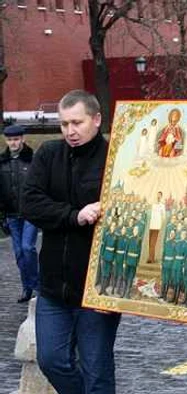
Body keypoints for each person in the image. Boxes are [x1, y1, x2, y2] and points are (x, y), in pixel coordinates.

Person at [22, 90, 121, 393]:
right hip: (54, 286)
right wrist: (74, 215)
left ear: (97, 119)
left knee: (97, 372)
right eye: (64, 124)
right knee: (51, 359)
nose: (70, 131)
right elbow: (30, 202)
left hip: (98, 289)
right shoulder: (49, 154)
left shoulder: (115, 159)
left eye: (77, 122)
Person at [0, 124, 39, 303]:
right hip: (11, 214)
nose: (13, 143)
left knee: (27, 248)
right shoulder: (2, 162)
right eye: (10, 139)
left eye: (16, 139)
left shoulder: (33, 160)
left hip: (30, 213)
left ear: (22, 139)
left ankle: (37, 286)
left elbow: (41, 187)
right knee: (18, 253)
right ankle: (27, 287)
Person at [148, 191, 166, 264]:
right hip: (151, 225)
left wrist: (160, 224)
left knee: (153, 243)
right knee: (150, 243)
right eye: (157, 195)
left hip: (156, 226)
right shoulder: (153, 204)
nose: (158, 196)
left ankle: (151, 259)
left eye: (159, 195)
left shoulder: (162, 205)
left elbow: (164, 216)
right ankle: (150, 257)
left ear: (161, 197)